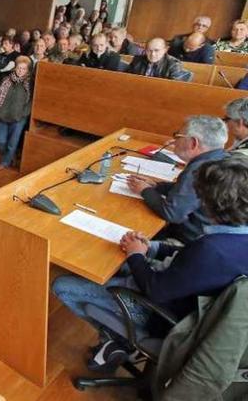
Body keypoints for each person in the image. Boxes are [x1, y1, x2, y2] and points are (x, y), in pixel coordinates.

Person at [53, 156, 248, 373]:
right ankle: (116, 337)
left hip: (162, 317)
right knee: (115, 263)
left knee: (62, 286)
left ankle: (118, 339)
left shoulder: (212, 250)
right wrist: (152, 247)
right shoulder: (233, 238)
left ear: (211, 202)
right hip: (187, 300)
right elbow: (191, 256)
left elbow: (155, 291)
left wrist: (136, 256)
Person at [126, 115, 229, 243]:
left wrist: (145, 190)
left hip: (190, 240)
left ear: (193, 143)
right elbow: (192, 193)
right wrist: (157, 186)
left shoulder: (199, 169)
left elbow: (172, 214)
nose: (174, 141)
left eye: (178, 136)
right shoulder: (223, 158)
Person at [0, 56, 32, 170]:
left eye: (24, 69)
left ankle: (5, 161)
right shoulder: (5, 80)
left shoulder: (29, 84)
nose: (21, 71)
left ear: (27, 70)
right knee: (0, 140)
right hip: (3, 115)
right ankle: (9, 156)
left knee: (12, 143)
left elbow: (30, 101)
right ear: (15, 68)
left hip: (19, 117)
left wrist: (23, 114)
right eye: (19, 68)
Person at [126, 38, 192, 81]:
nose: (153, 54)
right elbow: (126, 78)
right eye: (149, 50)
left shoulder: (174, 64)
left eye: (156, 50)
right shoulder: (137, 59)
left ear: (165, 50)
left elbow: (173, 88)